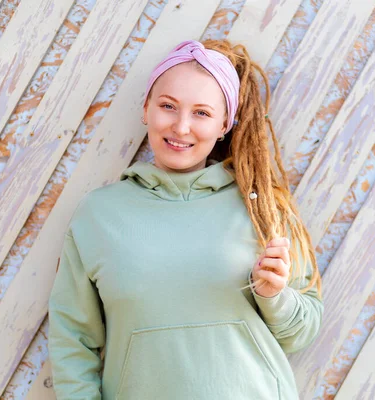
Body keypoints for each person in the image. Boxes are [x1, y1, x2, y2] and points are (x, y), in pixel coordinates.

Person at [48, 39, 324, 400]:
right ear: (146, 108)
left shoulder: (262, 209)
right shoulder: (99, 216)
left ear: (226, 123)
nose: (181, 127)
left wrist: (275, 297)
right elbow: (72, 339)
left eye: (202, 113)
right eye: (168, 106)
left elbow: (302, 331)